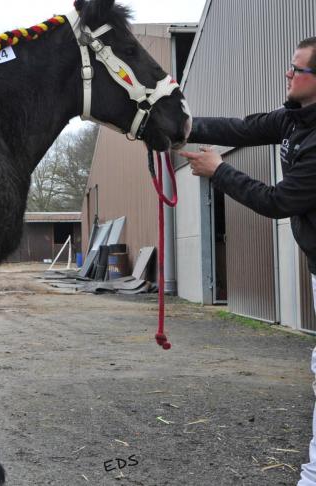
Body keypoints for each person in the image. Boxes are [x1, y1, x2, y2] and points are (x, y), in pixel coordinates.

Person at [179, 37, 316, 485]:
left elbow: (279, 201)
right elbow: (241, 129)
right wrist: (176, 123)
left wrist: (219, 171)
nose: (288, 74)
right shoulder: (295, 117)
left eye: (297, 69)